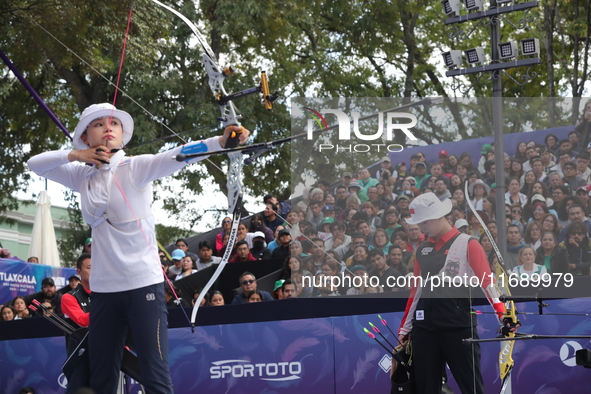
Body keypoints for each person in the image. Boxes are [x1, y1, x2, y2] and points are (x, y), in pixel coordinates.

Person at [27, 102, 249, 394]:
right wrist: (77, 156)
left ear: (121, 134)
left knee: (155, 375)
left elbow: (179, 155)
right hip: (105, 292)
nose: (108, 128)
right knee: (101, 376)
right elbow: (34, 163)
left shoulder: (136, 167)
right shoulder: (80, 176)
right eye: (98, 125)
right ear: (85, 137)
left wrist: (220, 142)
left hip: (143, 284)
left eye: (114, 124)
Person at [397, 193, 506, 394]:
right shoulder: (422, 249)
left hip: (458, 328)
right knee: (426, 389)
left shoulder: (468, 243)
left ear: (439, 216)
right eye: (418, 223)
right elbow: (416, 290)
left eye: (424, 222)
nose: (421, 228)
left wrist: (504, 315)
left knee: (471, 388)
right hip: (424, 330)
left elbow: (488, 283)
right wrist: (405, 328)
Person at [60, 254, 92, 394]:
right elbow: (82, 320)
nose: (95, 270)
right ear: (78, 271)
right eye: (89, 267)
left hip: (105, 356)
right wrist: (106, 310)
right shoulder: (69, 297)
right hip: (80, 357)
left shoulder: (106, 294)